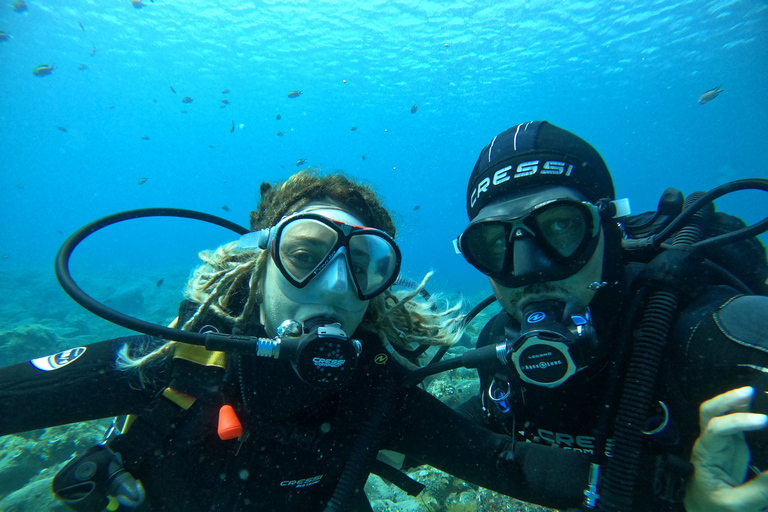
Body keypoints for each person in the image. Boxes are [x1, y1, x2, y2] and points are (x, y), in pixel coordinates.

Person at [0, 170, 593, 512]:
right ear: (259, 263)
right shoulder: (174, 364)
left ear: (379, 289)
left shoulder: (375, 390)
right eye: (306, 255)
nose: (336, 287)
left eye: (365, 265)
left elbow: (508, 466)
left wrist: (673, 485)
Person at [454, 121, 768, 512]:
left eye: (561, 224)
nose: (529, 269)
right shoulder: (498, 350)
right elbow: (476, 422)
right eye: (497, 241)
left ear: (608, 228)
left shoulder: (705, 333)